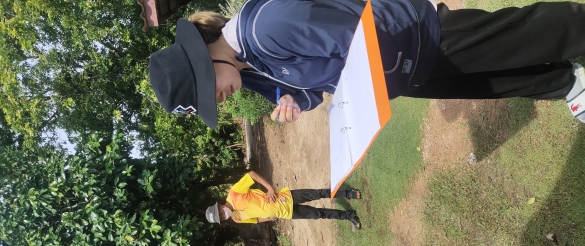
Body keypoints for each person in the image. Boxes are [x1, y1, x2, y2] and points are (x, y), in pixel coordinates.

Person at [148, 0, 585, 130]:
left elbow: (360, 36)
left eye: (208, 92)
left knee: (518, 35)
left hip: (413, 38)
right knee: (486, 84)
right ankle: (567, 83)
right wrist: (294, 102)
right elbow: (310, 92)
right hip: (398, 77)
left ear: (204, 59)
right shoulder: (247, 68)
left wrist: (356, 102)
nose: (220, 100)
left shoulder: (266, 29)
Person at [205, 170, 362, 228]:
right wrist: (268, 219)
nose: (223, 215)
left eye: (220, 212)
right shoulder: (237, 219)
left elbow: (251, 175)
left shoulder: (234, 193)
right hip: (285, 213)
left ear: (219, 206)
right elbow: (255, 220)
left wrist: (269, 188)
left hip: (284, 198)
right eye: (221, 217)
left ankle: (349, 193)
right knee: (318, 214)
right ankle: (349, 215)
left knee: (318, 193)